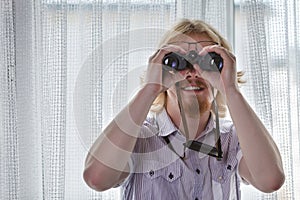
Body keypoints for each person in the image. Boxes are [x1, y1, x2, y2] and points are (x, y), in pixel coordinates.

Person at [83, 19, 285, 200]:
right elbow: (96, 178)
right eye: (180, 62)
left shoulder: (234, 139)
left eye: (208, 62)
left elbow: (270, 180)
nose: (192, 73)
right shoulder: (137, 138)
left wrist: (231, 90)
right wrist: (151, 87)